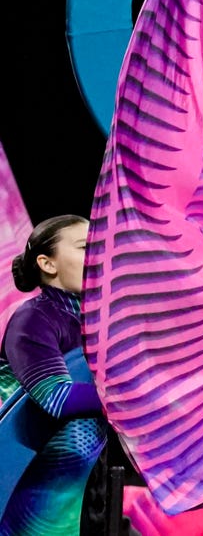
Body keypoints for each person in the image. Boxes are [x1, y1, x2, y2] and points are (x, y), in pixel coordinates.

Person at [0, 214, 108, 536]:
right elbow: (57, 399)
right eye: (85, 246)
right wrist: (131, 396)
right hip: (26, 486)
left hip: (81, 486)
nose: (99, 254)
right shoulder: (33, 319)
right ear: (47, 263)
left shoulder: (95, 322)